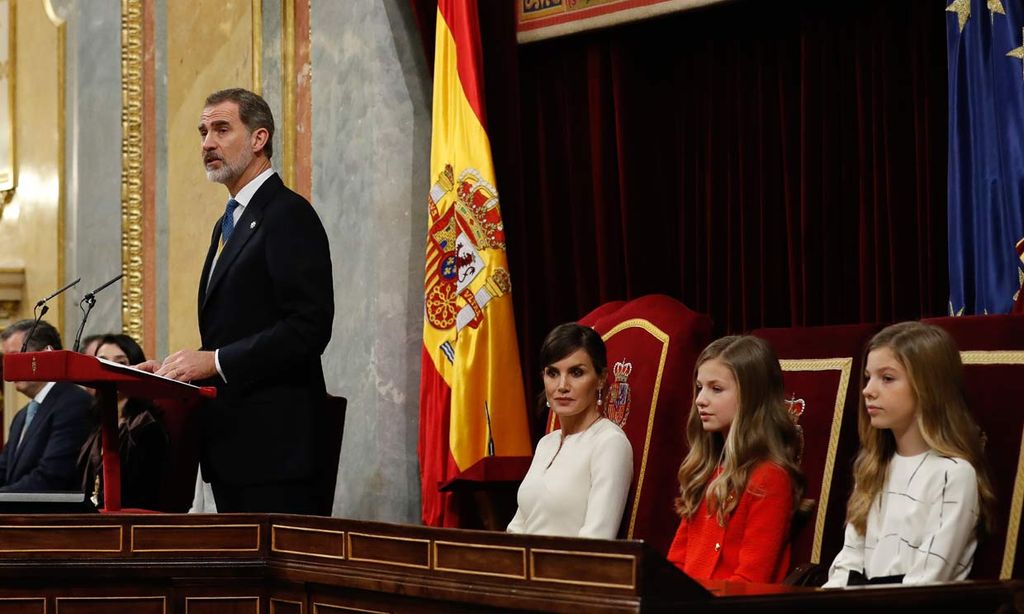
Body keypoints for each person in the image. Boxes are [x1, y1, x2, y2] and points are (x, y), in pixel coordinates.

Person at [139, 88, 334, 514]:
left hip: (278, 455)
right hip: (233, 450)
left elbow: (309, 327)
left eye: (222, 129)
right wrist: (172, 373)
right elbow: (237, 326)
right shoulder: (227, 223)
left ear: (259, 138)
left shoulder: (287, 214)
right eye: (203, 131)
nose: (207, 143)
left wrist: (215, 361)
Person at [824, 322, 996, 587]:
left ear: (928, 387)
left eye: (887, 378)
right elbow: (848, 562)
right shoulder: (873, 466)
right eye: (868, 377)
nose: (867, 390)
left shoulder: (953, 474)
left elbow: (927, 580)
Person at [667, 335, 804, 583]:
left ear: (752, 397)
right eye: (700, 387)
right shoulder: (706, 470)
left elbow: (750, 579)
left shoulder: (769, 478)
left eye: (716, 389)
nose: (700, 399)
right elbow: (676, 563)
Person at [506, 323, 632, 539]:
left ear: (601, 378)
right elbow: (517, 529)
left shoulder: (610, 443)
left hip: (572, 570)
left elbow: (597, 541)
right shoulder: (546, 443)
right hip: (525, 568)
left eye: (576, 372)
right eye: (553, 373)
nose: (562, 385)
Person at [78, 334, 169, 509]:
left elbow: (147, 492)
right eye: (102, 362)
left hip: (131, 521)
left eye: (120, 363)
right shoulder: (93, 421)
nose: (110, 369)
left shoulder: (146, 426)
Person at [0, 319, 92, 492]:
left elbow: (52, 477)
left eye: (16, 356)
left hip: (54, 516)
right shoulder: (22, 415)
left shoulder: (73, 403)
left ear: (46, 354)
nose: (8, 367)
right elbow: (4, 469)